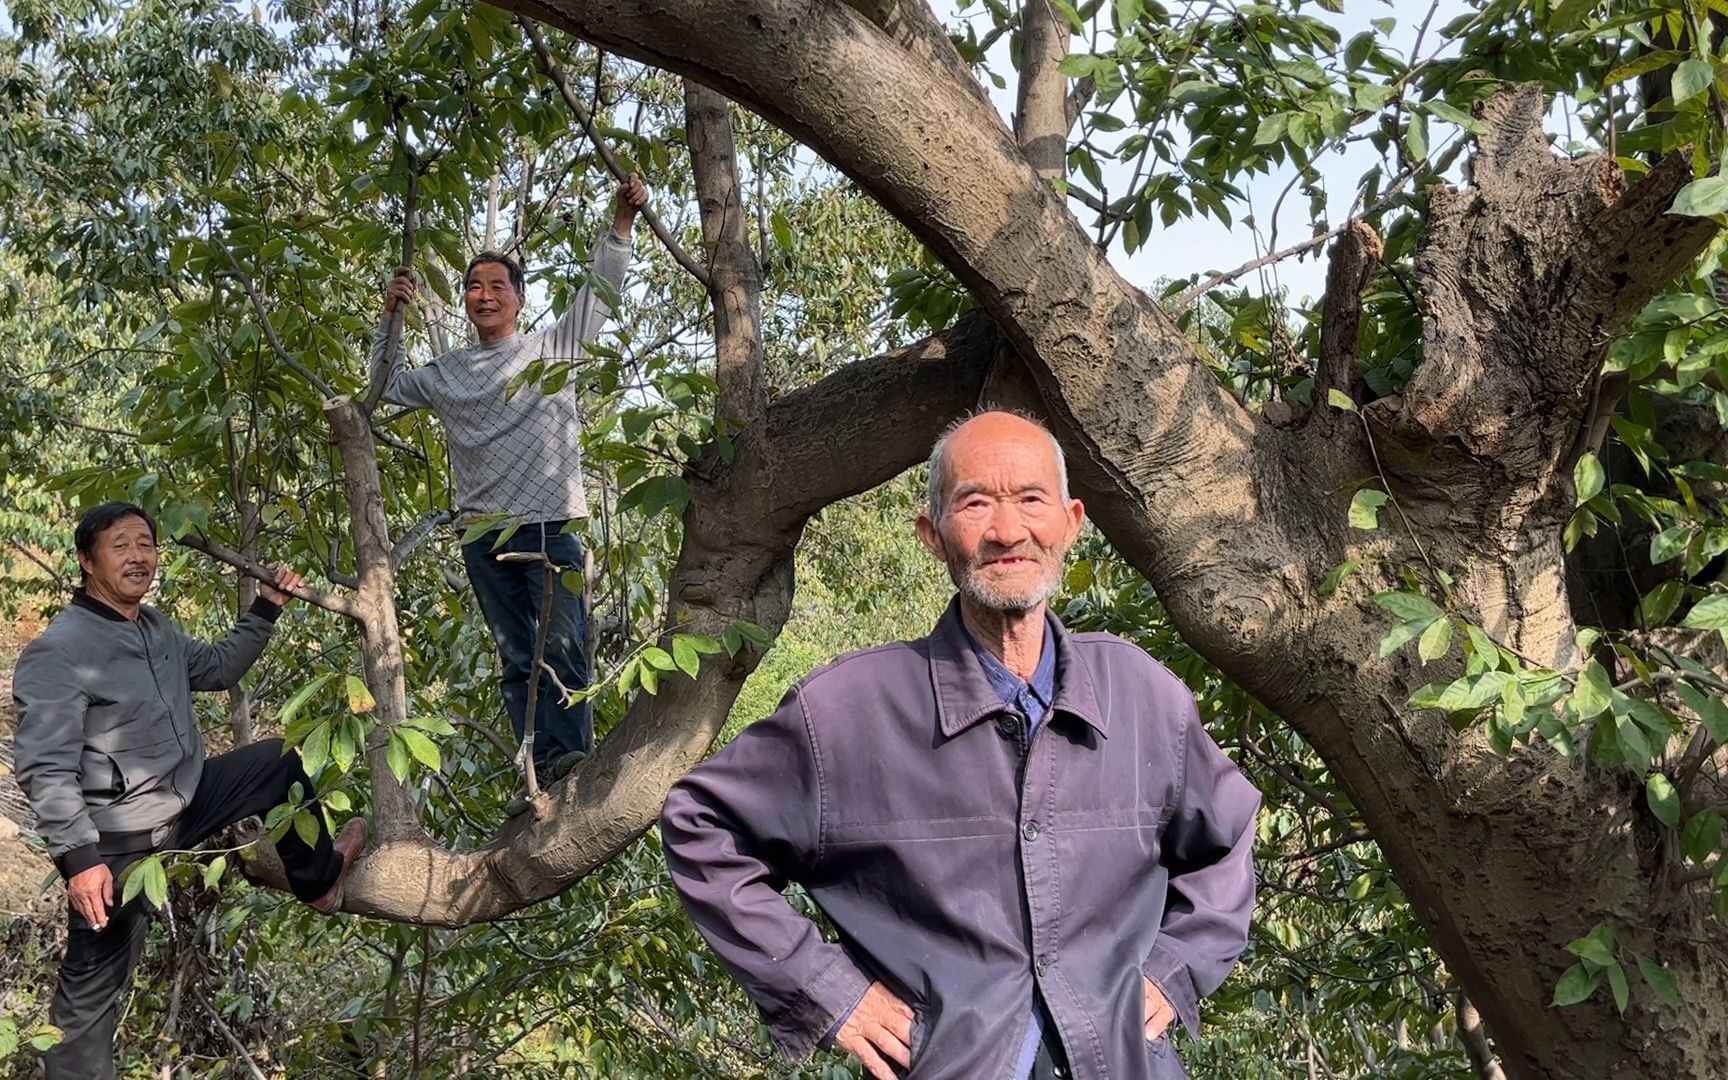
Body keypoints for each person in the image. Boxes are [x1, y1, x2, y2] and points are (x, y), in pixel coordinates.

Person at [661, 411, 1261, 1079]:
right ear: (933, 536)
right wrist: (831, 992)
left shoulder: (1143, 695)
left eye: (1032, 500)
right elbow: (701, 823)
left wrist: (1174, 970)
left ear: (1071, 523)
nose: (1008, 531)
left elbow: (1227, 838)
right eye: (975, 503)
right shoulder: (847, 713)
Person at [13, 501, 367, 1080]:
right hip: (118, 839)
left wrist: (266, 608)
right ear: (86, 560)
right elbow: (44, 768)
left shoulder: (155, 628)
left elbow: (221, 668)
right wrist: (79, 861)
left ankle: (320, 881)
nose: (138, 556)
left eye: (146, 544)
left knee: (275, 760)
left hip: (187, 797)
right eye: (120, 545)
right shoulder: (61, 650)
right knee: (89, 997)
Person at [373, 175, 651, 805]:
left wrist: (622, 225)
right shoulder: (445, 374)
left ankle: (570, 761)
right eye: (475, 286)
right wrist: (390, 318)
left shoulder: (553, 347)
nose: (484, 295)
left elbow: (600, 293)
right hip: (483, 533)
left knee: (564, 646)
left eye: (498, 285)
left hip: (552, 523)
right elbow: (384, 387)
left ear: (520, 300)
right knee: (517, 656)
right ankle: (538, 763)